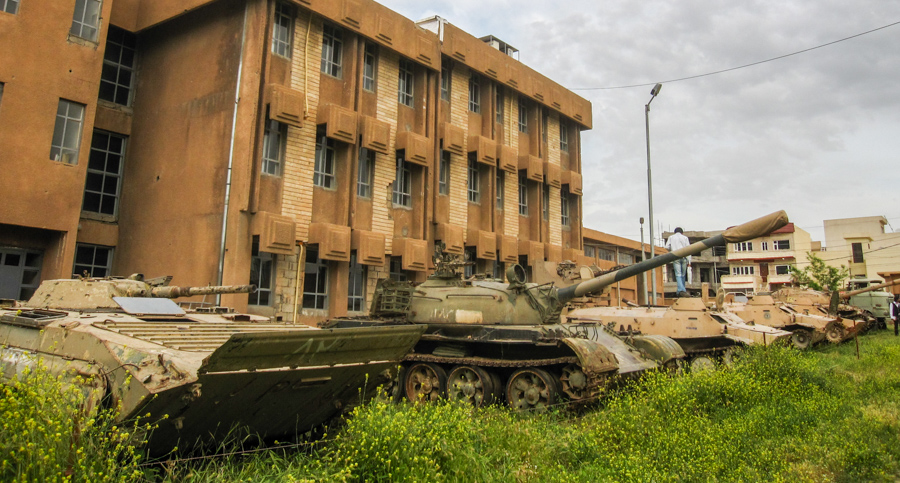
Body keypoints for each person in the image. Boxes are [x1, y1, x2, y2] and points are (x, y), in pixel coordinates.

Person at [665, 227, 691, 297]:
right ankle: (683, 289)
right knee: (683, 274)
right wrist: (689, 261)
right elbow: (689, 249)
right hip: (684, 257)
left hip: (675, 256)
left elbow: (667, 247)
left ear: (675, 232)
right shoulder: (685, 238)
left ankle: (680, 290)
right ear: (682, 232)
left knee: (678, 274)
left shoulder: (671, 237)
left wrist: (672, 250)